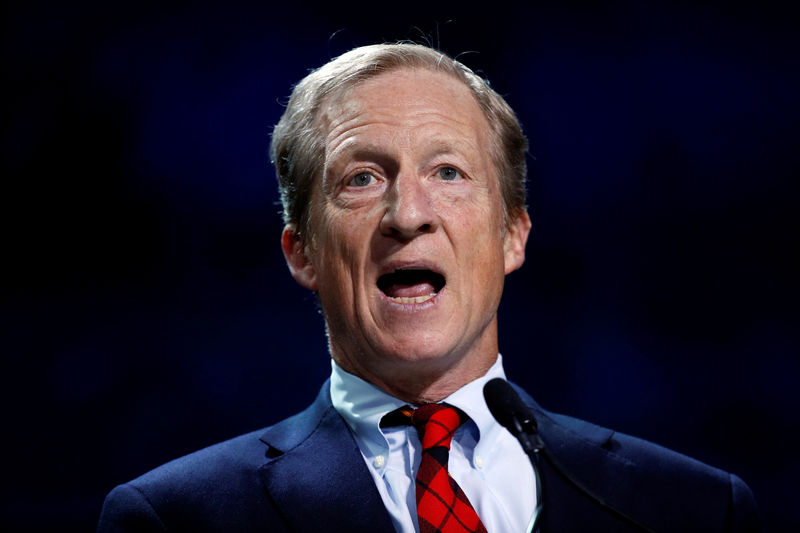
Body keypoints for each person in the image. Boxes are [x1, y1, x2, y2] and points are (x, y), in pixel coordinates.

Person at [97, 43, 760, 532]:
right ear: (302, 252)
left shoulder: (698, 510)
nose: (408, 214)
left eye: (447, 171)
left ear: (512, 235)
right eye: (361, 177)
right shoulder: (173, 519)